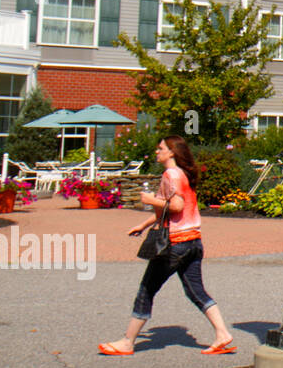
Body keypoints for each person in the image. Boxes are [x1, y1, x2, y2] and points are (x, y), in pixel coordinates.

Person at [98, 135, 235, 356]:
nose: (157, 151)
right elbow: (168, 209)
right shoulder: (182, 175)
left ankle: (127, 342)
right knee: (195, 291)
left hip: (175, 245)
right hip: (194, 242)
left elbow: (176, 206)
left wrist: (149, 199)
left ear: (171, 152)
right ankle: (222, 334)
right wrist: (143, 225)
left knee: (147, 290)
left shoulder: (170, 174)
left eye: (160, 148)